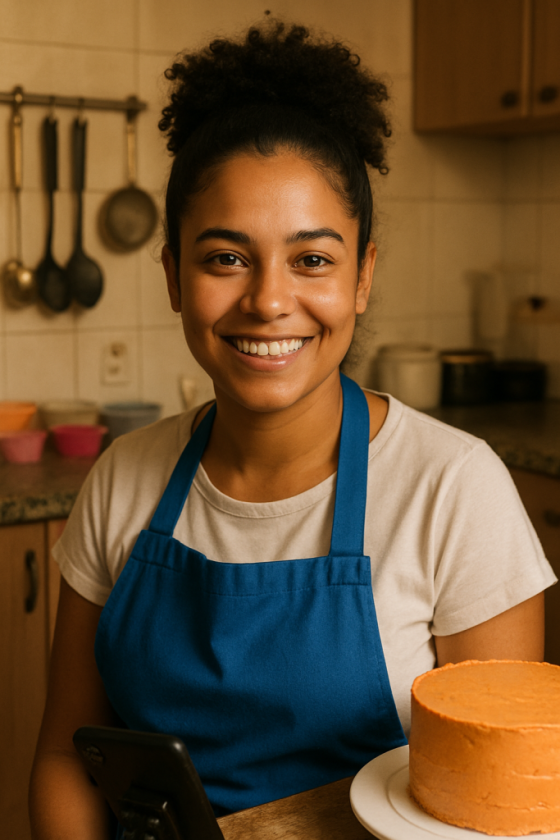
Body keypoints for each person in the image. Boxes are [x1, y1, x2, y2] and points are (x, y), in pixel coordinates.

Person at [29, 20, 556, 838]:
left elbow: (498, 807)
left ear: (362, 277)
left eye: (312, 259)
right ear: (172, 275)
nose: (269, 301)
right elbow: (67, 754)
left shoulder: (454, 489)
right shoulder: (122, 478)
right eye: (225, 258)